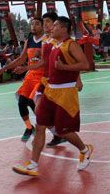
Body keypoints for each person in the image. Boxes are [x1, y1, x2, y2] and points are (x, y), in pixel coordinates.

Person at [12, 17, 93, 176]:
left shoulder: (72, 45)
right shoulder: (53, 45)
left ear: (64, 29)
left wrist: (65, 68)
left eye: (55, 25)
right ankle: (33, 165)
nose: (51, 28)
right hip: (50, 91)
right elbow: (43, 64)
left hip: (65, 93)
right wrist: (26, 68)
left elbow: (85, 65)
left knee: (64, 131)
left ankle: (85, 149)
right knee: (41, 125)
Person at [0, 17, 45, 142]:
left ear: (43, 26)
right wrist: (4, 68)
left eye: (37, 24)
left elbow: (45, 63)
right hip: (30, 75)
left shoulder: (46, 41)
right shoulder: (29, 41)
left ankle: (52, 132)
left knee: (34, 103)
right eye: (32, 23)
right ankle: (29, 128)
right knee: (22, 102)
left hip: (42, 76)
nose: (33, 26)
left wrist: (25, 68)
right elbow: (21, 60)